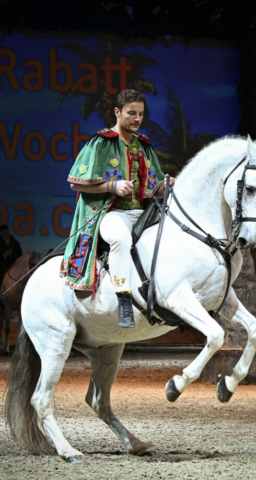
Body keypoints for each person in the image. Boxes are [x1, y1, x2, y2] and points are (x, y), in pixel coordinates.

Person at [63, 89, 174, 328]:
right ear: (117, 112)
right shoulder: (101, 142)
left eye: (141, 114)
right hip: (112, 215)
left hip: (142, 214)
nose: (137, 119)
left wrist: (166, 186)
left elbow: (154, 189)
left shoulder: (143, 146)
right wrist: (111, 186)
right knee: (121, 239)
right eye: (131, 113)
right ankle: (123, 296)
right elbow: (75, 182)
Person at [0, 225, 22, 313]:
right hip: (2, 265)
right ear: (1, 234)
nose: (6, 234)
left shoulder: (15, 243)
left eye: (7, 232)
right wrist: (4, 255)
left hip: (13, 265)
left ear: (9, 232)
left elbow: (19, 255)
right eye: (4, 233)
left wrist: (13, 262)